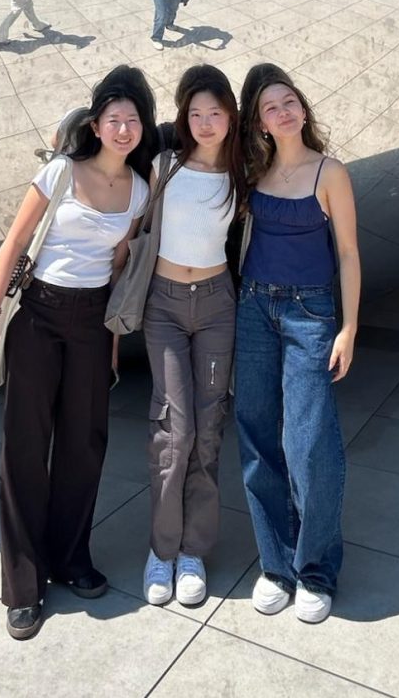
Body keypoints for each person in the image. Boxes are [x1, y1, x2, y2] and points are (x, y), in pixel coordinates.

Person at [0, 67, 157, 640]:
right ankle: (23, 586)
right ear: (96, 125)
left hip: (93, 325)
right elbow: (15, 241)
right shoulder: (60, 171)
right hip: (39, 318)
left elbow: (120, 267)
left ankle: (72, 557)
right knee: (26, 447)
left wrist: (115, 342)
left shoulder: (141, 190)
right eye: (113, 119)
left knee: (85, 444)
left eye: (132, 120)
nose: (123, 129)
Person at [236, 63, 361, 624]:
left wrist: (349, 327)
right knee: (259, 434)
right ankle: (275, 565)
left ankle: (315, 568)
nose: (283, 112)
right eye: (270, 107)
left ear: (303, 109)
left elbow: (349, 254)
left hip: (311, 313)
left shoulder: (328, 172)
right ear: (260, 123)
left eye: (289, 101)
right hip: (254, 308)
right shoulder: (253, 173)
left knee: (309, 441)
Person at [141, 65, 246, 608]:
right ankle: (161, 549)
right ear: (184, 116)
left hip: (215, 306)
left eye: (215, 113)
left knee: (208, 431)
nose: (206, 123)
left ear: (231, 116)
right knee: (173, 431)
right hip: (163, 304)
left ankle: (192, 552)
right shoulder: (165, 164)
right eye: (195, 113)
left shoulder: (244, 172)